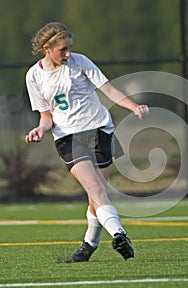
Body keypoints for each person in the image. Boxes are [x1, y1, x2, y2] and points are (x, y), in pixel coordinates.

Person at [25, 22, 149, 262]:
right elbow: (46, 116)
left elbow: (108, 89)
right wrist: (40, 129)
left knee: (97, 197)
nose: (68, 54)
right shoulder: (34, 76)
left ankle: (88, 246)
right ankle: (119, 234)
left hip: (99, 130)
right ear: (46, 48)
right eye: (62, 49)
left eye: (69, 48)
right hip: (68, 138)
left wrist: (133, 106)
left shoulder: (80, 62)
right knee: (95, 189)